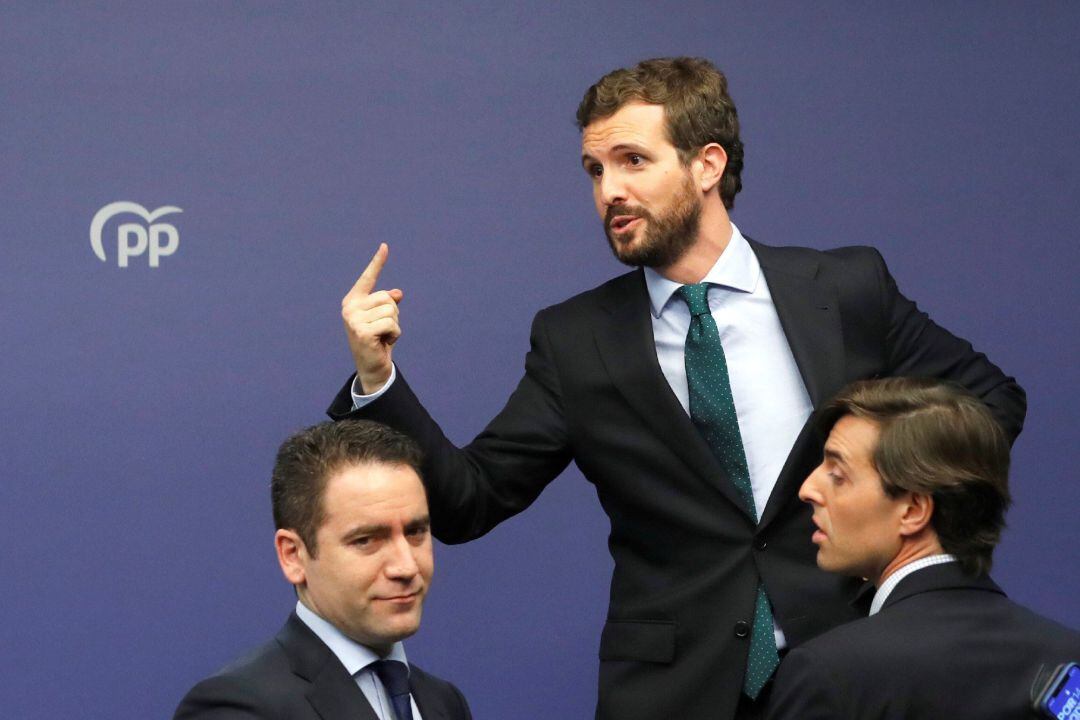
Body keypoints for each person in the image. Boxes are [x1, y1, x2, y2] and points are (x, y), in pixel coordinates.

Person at [329, 57, 1026, 719]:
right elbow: (467, 500)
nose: (609, 191)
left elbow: (992, 403)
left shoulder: (843, 289)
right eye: (594, 170)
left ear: (707, 165)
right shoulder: (576, 340)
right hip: (672, 693)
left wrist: (900, 524)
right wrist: (377, 375)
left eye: (633, 160)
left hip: (852, 670)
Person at [765, 377, 1079, 719]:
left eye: (838, 475)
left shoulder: (828, 674)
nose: (808, 489)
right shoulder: (1067, 657)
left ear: (913, 511)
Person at [174, 420, 472, 720]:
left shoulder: (445, 703)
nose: (406, 567)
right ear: (293, 555)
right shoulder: (236, 708)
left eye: (415, 532)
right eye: (366, 540)